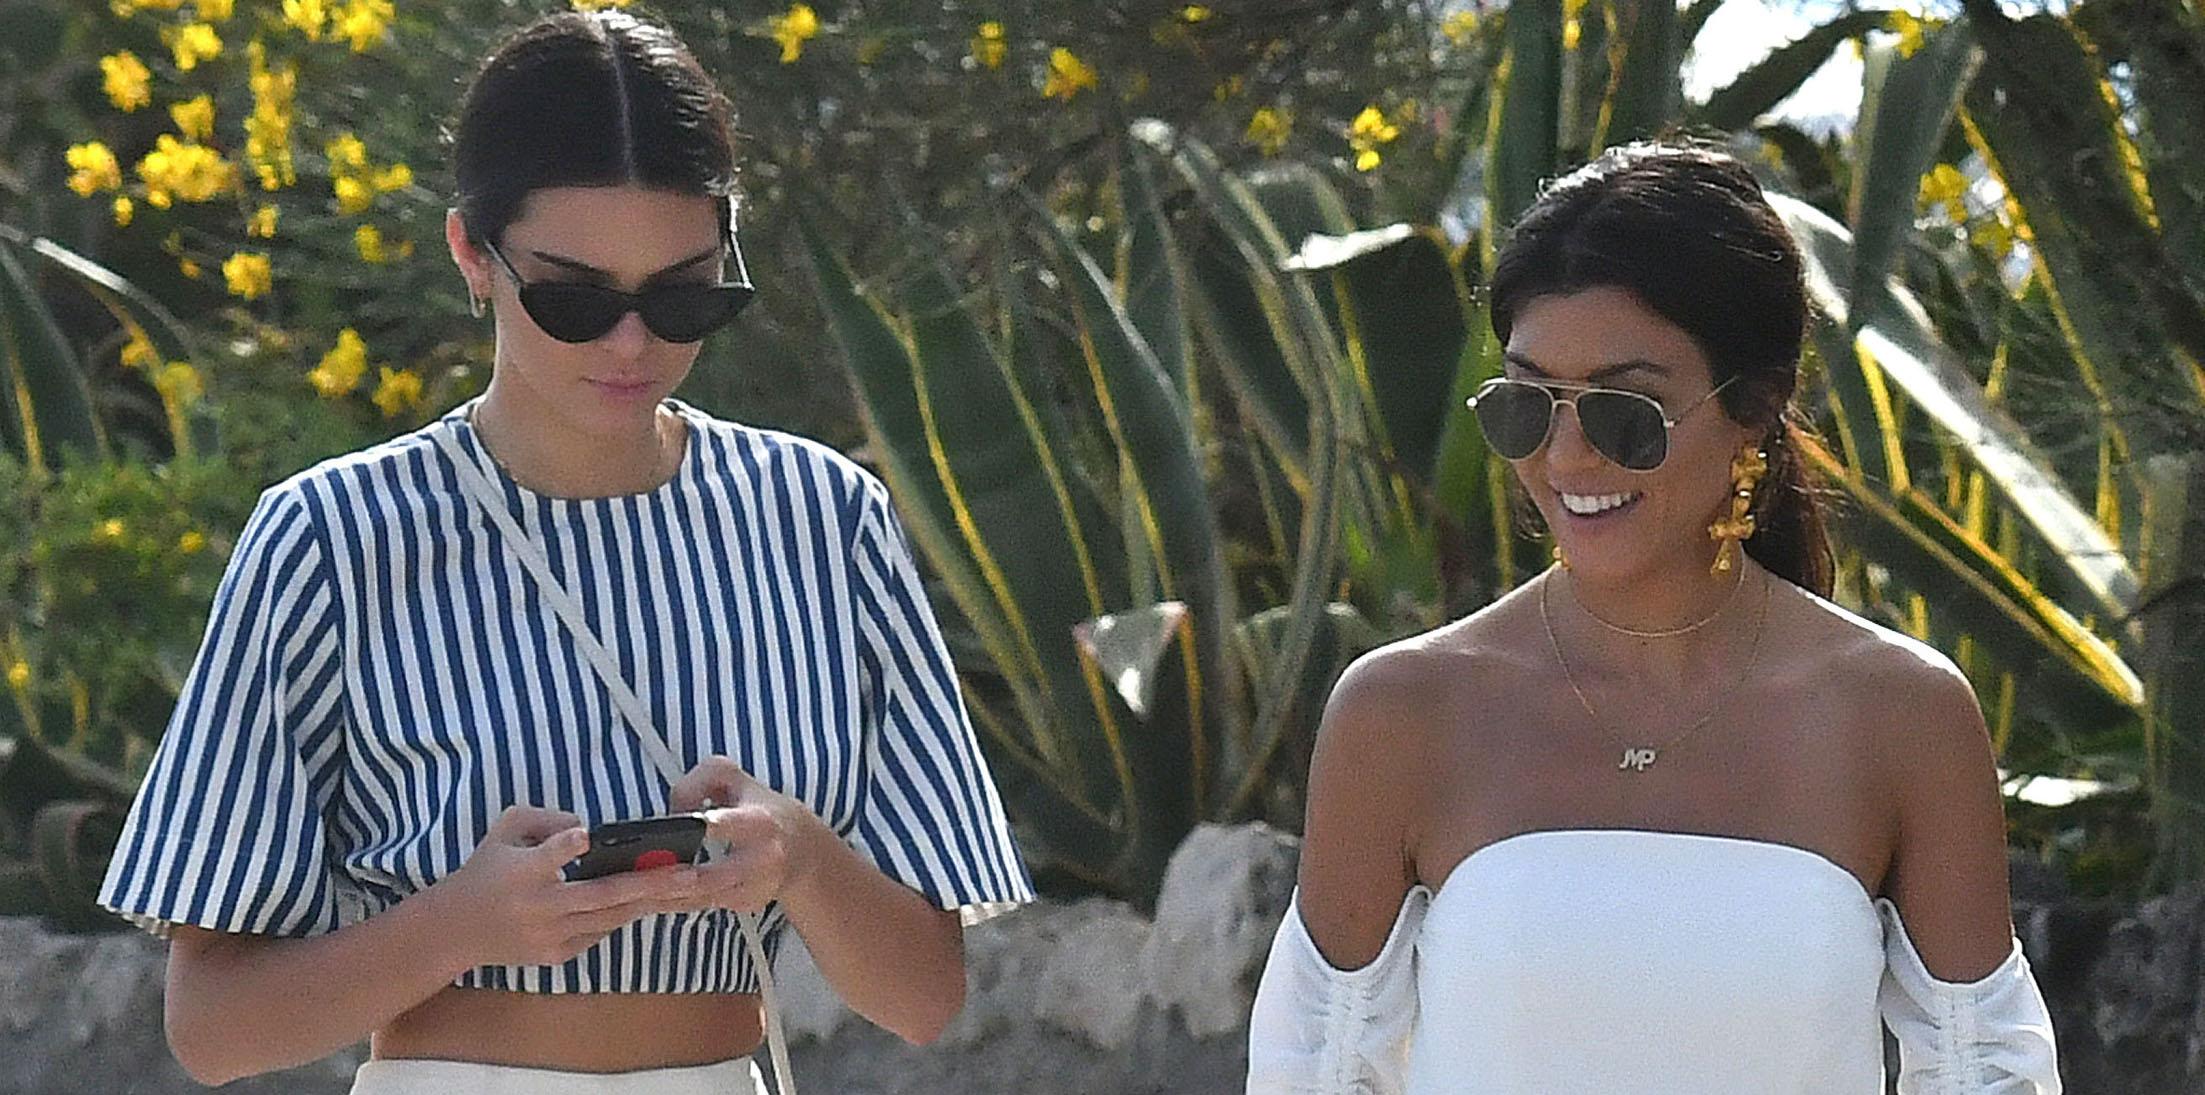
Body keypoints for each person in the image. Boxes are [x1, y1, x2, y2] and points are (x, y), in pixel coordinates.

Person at [95, 10, 1032, 1094]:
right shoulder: (333, 538)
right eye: (574, 297)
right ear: (471, 254)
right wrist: (463, 923)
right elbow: (210, 1028)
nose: (632, 343)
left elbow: (924, 998)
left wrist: (803, 859)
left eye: (682, 293)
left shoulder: (826, 519)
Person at [1244, 142, 2061, 1093]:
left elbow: (1985, 1072)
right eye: (1526, 404)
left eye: (1624, 410)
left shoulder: (1900, 714)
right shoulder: (1401, 712)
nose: (1566, 458)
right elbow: (1313, 1071)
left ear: (1754, 407)